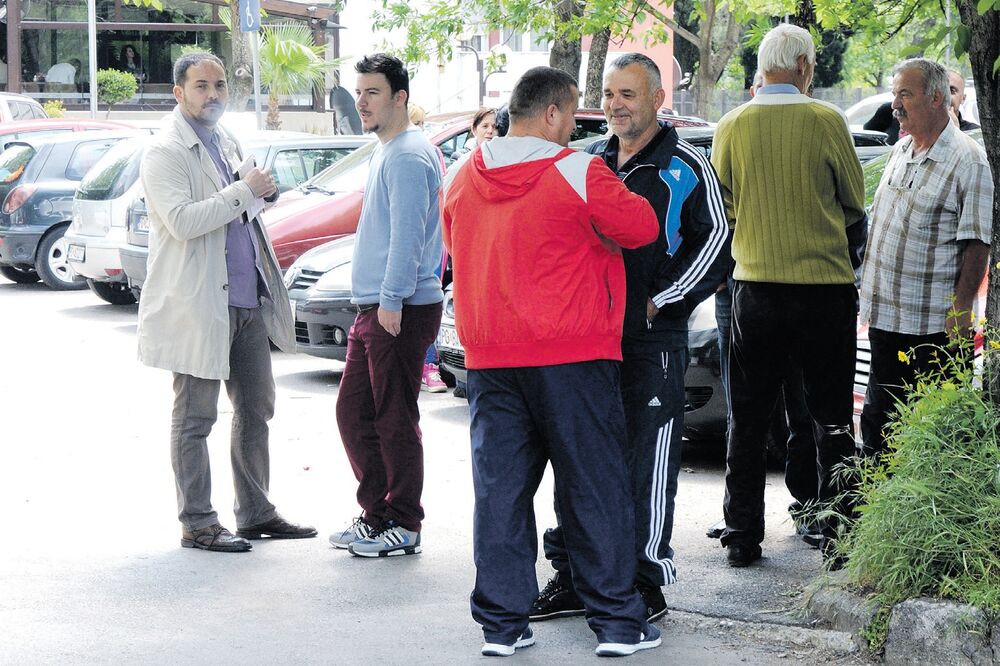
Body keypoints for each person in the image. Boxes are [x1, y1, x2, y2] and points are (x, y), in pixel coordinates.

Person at [444, 65, 662, 658]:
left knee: (500, 492)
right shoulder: (578, 169)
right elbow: (642, 227)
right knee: (594, 487)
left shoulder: (464, 174)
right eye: (571, 115)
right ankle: (618, 625)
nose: (574, 127)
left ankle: (502, 626)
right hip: (573, 354)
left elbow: (453, 245)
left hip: (490, 358)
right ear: (551, 113)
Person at [531, 53, 729, 624]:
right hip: (585, 342)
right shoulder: (589, 163)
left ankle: (645, 582)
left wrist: (660, 300)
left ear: (657, 100)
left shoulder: (687, 165)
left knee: (649, 462)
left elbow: (716, 241)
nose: (616, 105)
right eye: (611, 95)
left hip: (650, 343)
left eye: (629, 95)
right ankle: (572, 577)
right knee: (577, 459)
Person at [137, 52, 316, 553]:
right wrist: (243, 191)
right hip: (198, 304)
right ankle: (197, 521)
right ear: (179, 93)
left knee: (256, 408)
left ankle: (255, 511)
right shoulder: (165, 150)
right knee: (195, 417)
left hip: (246, 299)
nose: (213, 95)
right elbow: (183, 221)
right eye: (201, 86)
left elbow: (244, 204)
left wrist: (263, 194)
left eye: (219, 85)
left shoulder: (226, 139)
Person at [711, 23, 866, 568]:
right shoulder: (827, 120)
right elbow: (853, 200)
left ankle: (742, 535)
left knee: (749, 418)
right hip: (823, 291)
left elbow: (726, 202)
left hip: (755, 289)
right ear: (803, 65)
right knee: (830, 417)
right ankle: (838, 529)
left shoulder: (731, 126)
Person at [328, 54, 444, 558]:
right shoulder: (388, 149)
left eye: (372, 92)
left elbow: (408, 238)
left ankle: (404, 522)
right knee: (355, 414)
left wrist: (392, 300)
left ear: (400, 98)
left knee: (394, 418)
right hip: (375, 307)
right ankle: (377, 516)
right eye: (359, 92)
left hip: (398, 307)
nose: (362, 102)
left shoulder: (407, 155)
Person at [859, 58, 992, 458]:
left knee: (929, 438)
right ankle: (876, 519)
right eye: (894, 93)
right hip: (887, 318)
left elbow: (978, 243)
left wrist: (960, 310)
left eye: (905, 94)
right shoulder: (902, 148)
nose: (895, 104)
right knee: (878, 428)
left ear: (936, 98)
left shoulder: (968, 160)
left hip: (933, 328)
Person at [448, 106, 498, 400]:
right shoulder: (462, 166)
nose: (490, 131)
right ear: (474, 130)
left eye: (495, 126)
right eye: (485, 126)